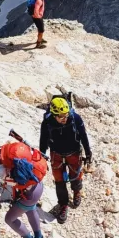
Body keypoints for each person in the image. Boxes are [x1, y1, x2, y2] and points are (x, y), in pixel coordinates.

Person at [39, 96, 93, 224]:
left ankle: (77, 191)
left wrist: (88, 153)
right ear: (54, 115)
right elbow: (43, 140)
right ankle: (63, 204)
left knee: (75, 175)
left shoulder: (75, 118)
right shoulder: (47, 123)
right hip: (56, 153)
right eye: (61, 116)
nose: (65, 118)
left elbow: (83, 136)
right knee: (59, 181)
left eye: (66, 115)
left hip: (73, 152)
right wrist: (41, 156)